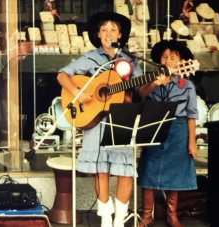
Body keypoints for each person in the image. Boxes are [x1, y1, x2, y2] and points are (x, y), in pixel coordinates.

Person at [57, 12, 143, 227]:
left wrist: (157, 82)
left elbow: (142, 89)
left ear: (120, 34)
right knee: (100, 169)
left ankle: (120, 220)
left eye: (113, 29)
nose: (108, 33)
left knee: (124, 169)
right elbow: (62, 75)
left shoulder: (130, 61)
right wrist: (77, 92)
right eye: (104, 29)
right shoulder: (90, 58)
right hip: (95, 119)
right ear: (97, 34)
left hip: (121, 117)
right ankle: (105, 218)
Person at [136, 40, 198, 227]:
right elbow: (142, 94)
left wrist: (192, 142)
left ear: (181, 61)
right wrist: (155, 83)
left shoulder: (187, 85)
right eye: (164, 57)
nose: (168, 60)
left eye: (173, 57)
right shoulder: (151, 79)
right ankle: (147, 215)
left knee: (175, 173)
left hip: (178, 130)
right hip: (154, 125)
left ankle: (172, 214)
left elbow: (191, 115)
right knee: (148, 170)